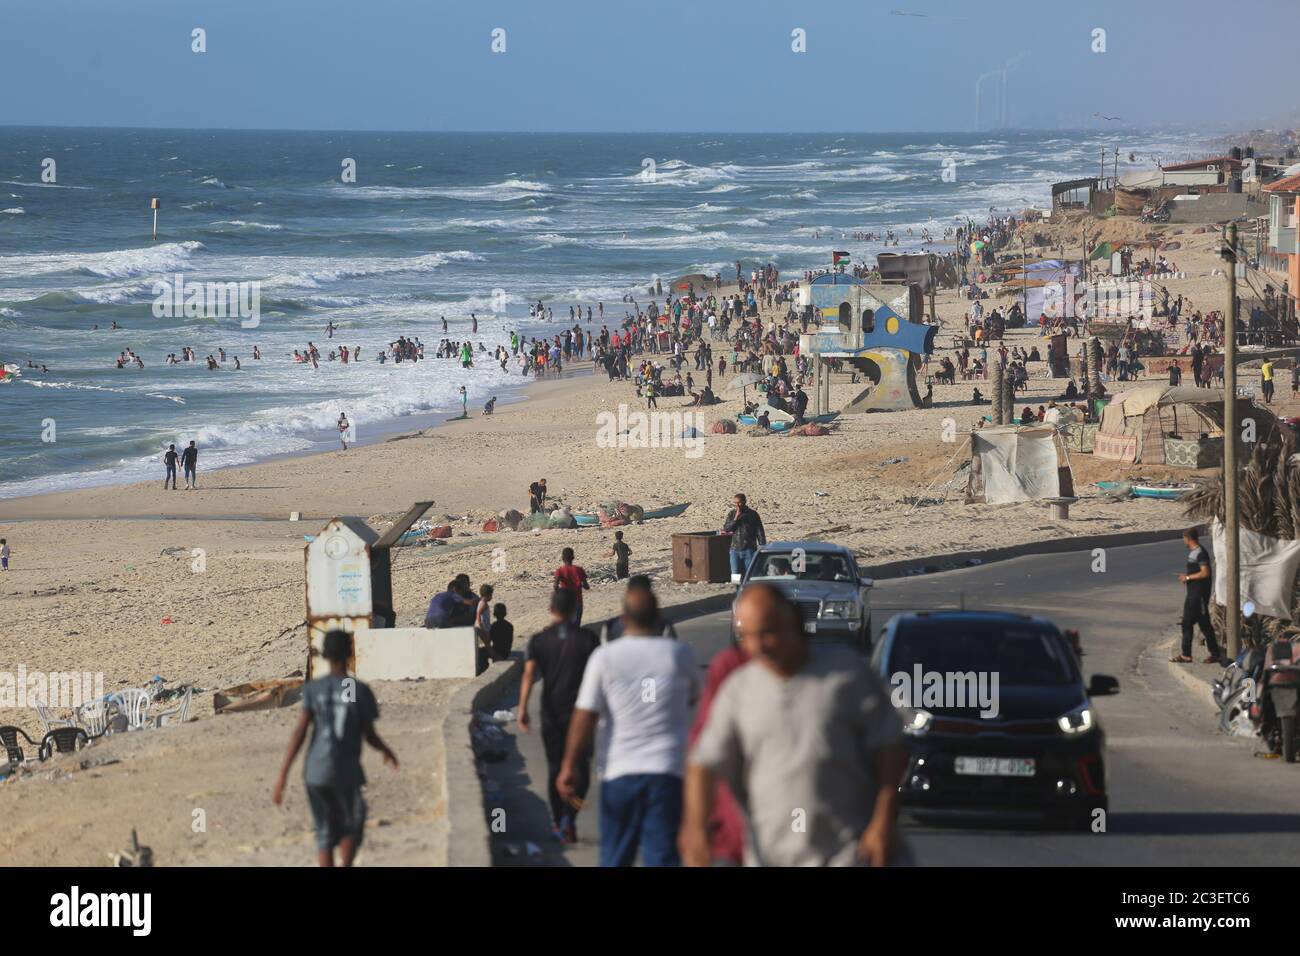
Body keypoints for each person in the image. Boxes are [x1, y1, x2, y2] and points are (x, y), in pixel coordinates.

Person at [682, 584, 906, 867]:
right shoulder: (739, 690)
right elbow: (702, 763)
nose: (757, 646)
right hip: (770, 856)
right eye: (747, 636)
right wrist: (698, 835)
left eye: (768, 633)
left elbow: (890, 747)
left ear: (795, 624)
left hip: (850, 855)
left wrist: (883, 821)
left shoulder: (849, 675)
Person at [557, 586, 698, 866]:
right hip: (667, 773)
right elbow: (696, 698)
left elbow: (585, 715)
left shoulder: (605, 658)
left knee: (616, 856)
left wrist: (569, 765)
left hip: (620, 772)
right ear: (659, 617)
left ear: (623, 618)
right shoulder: (680, 655)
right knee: (663, 857)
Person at [272, 629, 398, 867]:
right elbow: (369, 734)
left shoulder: (313, 689)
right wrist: (386, 751)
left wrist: (283, 775)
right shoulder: (357, 690)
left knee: (325, 831)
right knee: (351, 824)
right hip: (345, 770)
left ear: (324, 655)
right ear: (350, 653)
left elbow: (299, 732)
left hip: (315, 771)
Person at [518, 589, 601, 844]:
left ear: (551, 610)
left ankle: (558, 821)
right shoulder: (588, 639)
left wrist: (522, 709)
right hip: (583, 715)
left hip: (551, 714)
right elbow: (601, 677)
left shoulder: (540, 641)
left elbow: (529, 675)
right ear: (575, 610)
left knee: (556, 767)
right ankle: (569, 819)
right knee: (581, 770)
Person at [1172, 527, 1221, 664]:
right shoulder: (1194, 553)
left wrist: (1187, 578)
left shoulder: (1200, 553)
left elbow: (1205, 573)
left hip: (1198, 596)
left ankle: (1187, 655)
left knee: (1189, 623)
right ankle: (1214, 653)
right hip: (1193, 594)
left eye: (1184, 539)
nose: (1184, 541)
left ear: (1188, 539)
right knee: (1202, 625)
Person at [722, 493, 765, 579]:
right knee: (735, 575)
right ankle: (736, 591)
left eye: (739, 503)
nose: (737, 505)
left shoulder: (753, 514)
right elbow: (726, 529)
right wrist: (735, 519)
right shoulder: (732, 514)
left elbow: (759, 531)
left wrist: (762, 545)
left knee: (749, 575)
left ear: (745, 502)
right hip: (735, 550)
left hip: (749, 549)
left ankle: (747, 591)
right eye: (735, 503)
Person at [553, 547, 591, 625]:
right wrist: (582, 584)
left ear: (562, 558)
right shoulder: (579, 569)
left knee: (566, 622)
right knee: (576, 623)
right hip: (578, 600)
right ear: (573, 557)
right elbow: (587, 586)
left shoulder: (559, 571)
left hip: (566, 601)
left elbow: (555, 586)